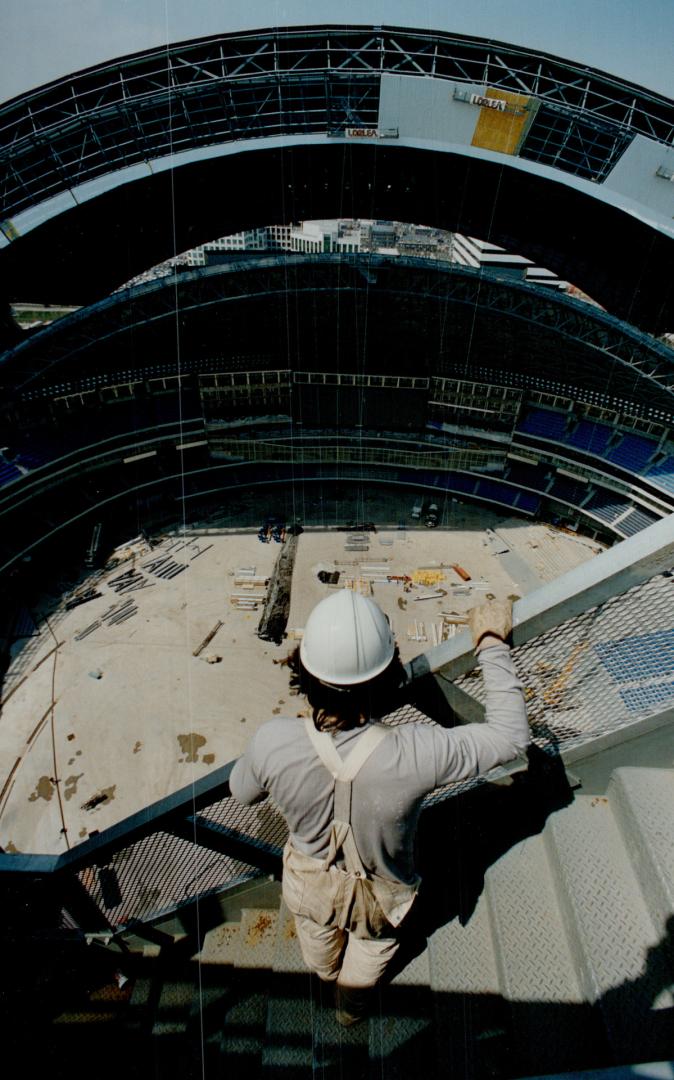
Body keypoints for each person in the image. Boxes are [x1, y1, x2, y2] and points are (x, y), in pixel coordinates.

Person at [229, 589, 529, 1025]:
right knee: (371, 953)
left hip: (309, 885)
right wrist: (491, 642)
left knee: (317, 940)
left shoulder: (272, 739)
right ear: (390, 676)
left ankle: (326, 971)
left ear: (304, 670)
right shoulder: (415, 752)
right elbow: (510, 737)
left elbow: (242, 793)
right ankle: (350, 1010)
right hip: (382, 897)